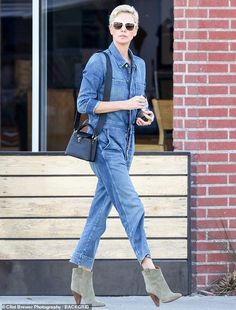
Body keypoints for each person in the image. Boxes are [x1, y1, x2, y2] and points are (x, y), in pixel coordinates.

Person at [69, 4, 182, 307]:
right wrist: (125, 104)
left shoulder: (140, 65)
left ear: (135, 31)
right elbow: (84, 104)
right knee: (132, 205)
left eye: (129, 26)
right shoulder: (99, 62)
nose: (123, 30)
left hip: (126, 145)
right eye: (117, 25)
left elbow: (136, 108)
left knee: (99, 213)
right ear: (110, 29)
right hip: (104, 146)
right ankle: (152, 274)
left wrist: (141, 116)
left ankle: (81, 278)